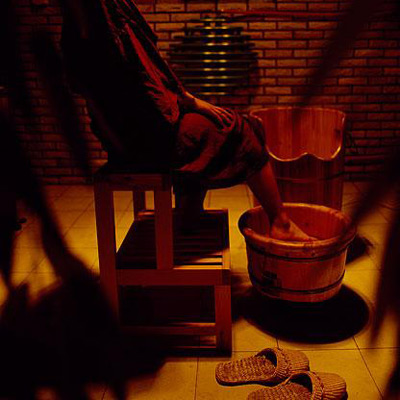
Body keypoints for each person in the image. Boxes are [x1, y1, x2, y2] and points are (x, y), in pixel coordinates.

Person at [60, 0, 311, 241]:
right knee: (239, 128)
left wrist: (116, 145)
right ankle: (281, 223)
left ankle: (188, 216)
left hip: (121, 141)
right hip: (144, 145)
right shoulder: (108, 13)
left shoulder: (73, 23)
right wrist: (188, 100)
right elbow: (144, 74)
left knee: (198, 127)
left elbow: (90, 91)